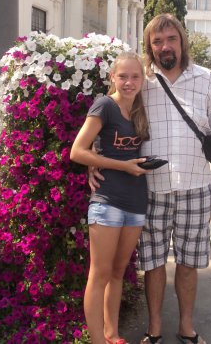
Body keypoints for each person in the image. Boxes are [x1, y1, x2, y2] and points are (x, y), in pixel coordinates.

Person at [92, 14, 211, 344]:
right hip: (151, 188)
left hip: (196, 186)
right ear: (149, 46)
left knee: (188, 262)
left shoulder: (206, 79)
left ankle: (186, 326)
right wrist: (94, 159)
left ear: (182, 41)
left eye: (171, 39)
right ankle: (154, 329)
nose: (165, 46)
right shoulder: (141, 80)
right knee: (153, 263)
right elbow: (113, 117)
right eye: (157, 42)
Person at [70, 51, 150, 344]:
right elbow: (77, 151)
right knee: (99, 274)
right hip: (108, 202)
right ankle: (96, 340)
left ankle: (112, 334)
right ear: (112, 77)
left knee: (118, 272)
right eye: (123, 76)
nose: (129, 82)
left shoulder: (140, 109)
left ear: (142, 79)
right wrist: (121, 165)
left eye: (135, 76)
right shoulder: (105, 105)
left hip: (136, 202)